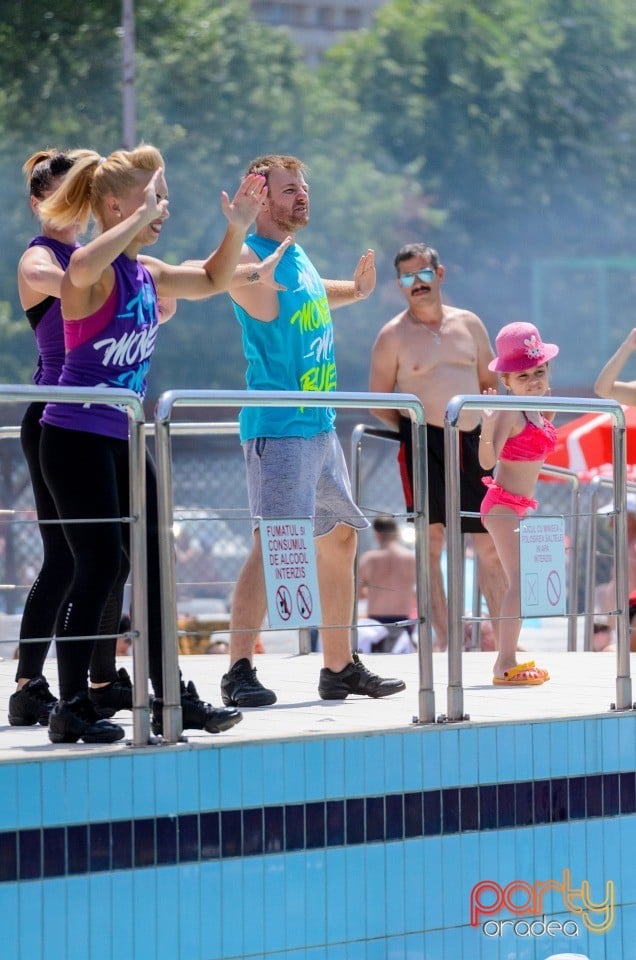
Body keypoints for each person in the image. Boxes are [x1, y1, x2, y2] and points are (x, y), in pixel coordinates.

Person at [35, 144, 284, 744]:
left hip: (125, 435)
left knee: (153, 566)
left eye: (165, 197)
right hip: (73, 438)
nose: (164, 208)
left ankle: (171, 694)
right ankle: (70, 706)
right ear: (117, 207)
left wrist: (237, 227)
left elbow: (214, 278)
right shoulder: (90, 272)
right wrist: (135, 217)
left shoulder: (146, 272)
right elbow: (79, 268)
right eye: (154, 197)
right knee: (99, 565)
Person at [216, 153, 406, 707]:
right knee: (272, 544)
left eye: (304, 187)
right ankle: (238, 669)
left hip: (318, 425)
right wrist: (236, 232)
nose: (302, 195)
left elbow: (313, 291)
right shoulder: (249, 255)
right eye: (288, 189)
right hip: (279, 426)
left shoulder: (294, 254)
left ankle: (339, 666)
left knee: (341, 537)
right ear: (261, 197)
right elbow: (220, 278)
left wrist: (358, 291)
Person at [7, 149, 174, 728]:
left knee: (116, 562)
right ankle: (29, 685)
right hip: (56, 417)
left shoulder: (106, 256)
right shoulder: (42, 258)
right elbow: (73, 284)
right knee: (66, 559)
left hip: (102, 417)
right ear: (39, 203)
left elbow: (141, 300)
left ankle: (102, 681)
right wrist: (121, 279)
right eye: (65, 194)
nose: (75, 205)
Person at [368, 241, 506, 652]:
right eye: (408, 277)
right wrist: (412, 428)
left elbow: (490, 383)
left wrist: (490, 432)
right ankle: (447, 640)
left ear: (439, 274)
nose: (418, 282)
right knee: (430, 544)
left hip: (474, 439)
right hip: (422, 439)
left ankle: (504, 642)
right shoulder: (392, 335)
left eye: (424, 273)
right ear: (399, 284)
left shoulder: (469, 324)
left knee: (488, 543)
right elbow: (378, 400)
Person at [478, 321, 557, 685]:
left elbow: (540, 437)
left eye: (539, 372)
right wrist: (487, 424)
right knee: (521, 582)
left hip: (519, 506)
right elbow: (485, 461)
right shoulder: (510, 411)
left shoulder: (538, 408)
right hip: (502, 506)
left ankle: (507, 658)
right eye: (523, 376)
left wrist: (544, 407)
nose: (533, 381)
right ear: (506, 382)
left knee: (524, 582)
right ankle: (504, 663)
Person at [357, 515, 416, 652]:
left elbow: (358, 594)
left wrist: (374, 592)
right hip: (402, 620)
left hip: (375, 622)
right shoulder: (410, 558)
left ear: (376, 534)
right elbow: (418, 592)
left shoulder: (368, 559)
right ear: (396, 532)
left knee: (377, 661)